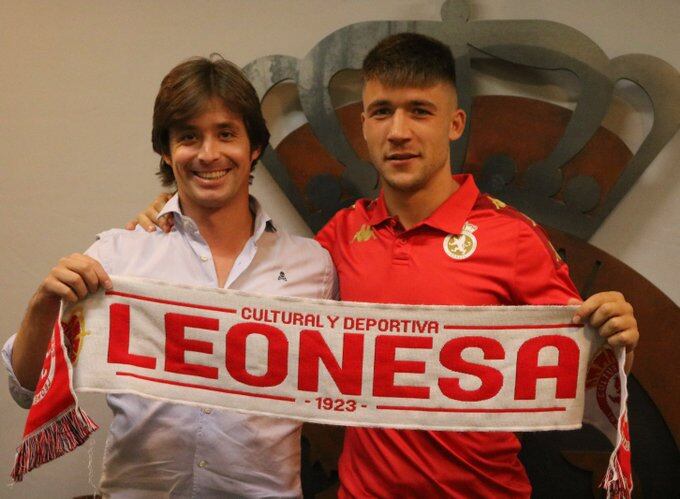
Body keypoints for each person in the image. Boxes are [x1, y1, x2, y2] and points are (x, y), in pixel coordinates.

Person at [130, 34, 638, 497]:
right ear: (364, 127)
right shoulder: (337, 240)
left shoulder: (515, 239)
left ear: (454, 124)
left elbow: (588, 378)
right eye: (381, 112)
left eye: (419, 111)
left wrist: (619, 339)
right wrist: (171, 216)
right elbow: (253, 302)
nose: (398, 132)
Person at [2, 56, 336, 498]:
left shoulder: (312, 266)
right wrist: (42, 303)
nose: (209, 153)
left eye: (226, 134)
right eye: (188, 137)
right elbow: (25, 389)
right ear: (166, 149)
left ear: (254, 146)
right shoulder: (116, 256)